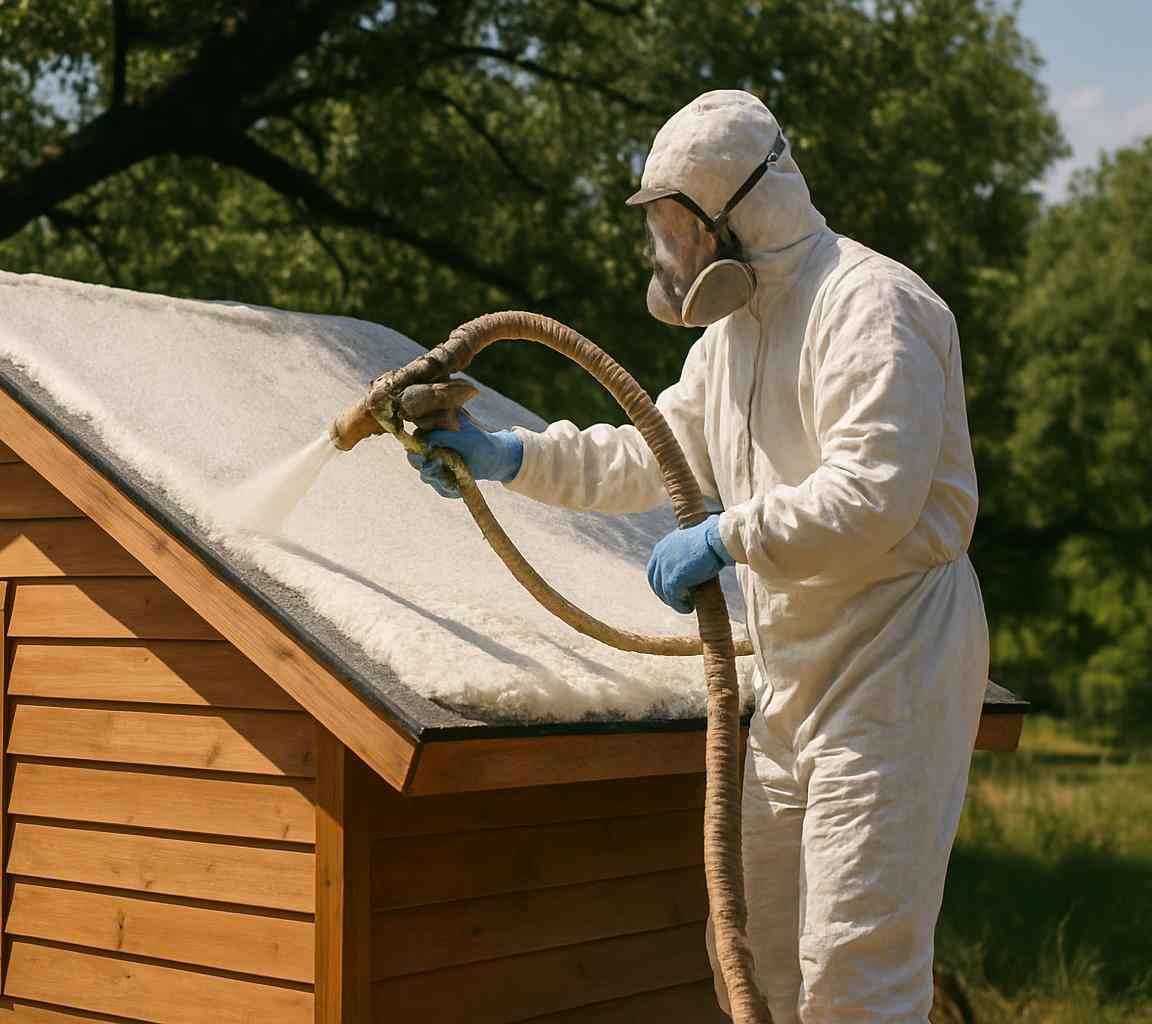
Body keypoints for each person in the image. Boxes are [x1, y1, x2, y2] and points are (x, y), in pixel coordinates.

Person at [410, 90, 989, 1024]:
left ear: (739, 212)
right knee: (751, 962)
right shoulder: (732, 338)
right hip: (794, 674)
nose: (664, 251)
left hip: (894, 667)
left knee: (855, 977)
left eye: (676, 225)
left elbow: (873, 498)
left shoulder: (874, 305)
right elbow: (648, 450)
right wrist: (508, 455)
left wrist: (726, 536)